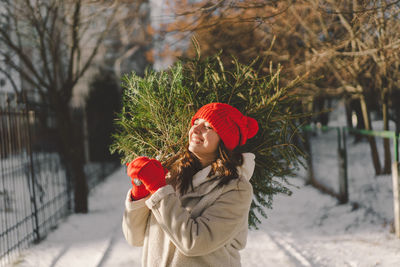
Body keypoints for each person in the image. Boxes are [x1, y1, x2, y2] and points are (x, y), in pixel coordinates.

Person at [123, 102, 259, 267]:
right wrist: (140, 192)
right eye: (195, 123)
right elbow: (135, 238)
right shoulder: (170, 174)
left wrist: (158, 189)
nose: (195, 129)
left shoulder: (236, 189)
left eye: (208, 127)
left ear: (224, 140)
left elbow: (195, 242)